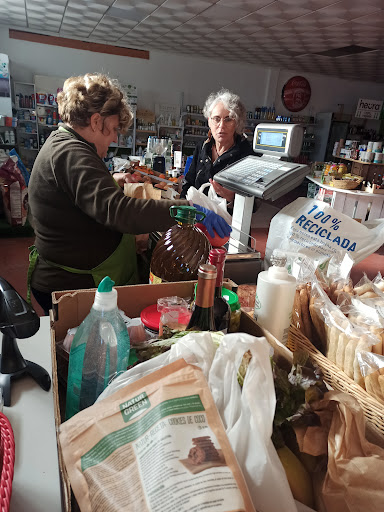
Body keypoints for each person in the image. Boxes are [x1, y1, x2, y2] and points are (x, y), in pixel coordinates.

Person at [28, 73, 230, 314]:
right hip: (74, 285)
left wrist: (112, 180)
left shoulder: (64, 143)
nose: (114, 138)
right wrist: (187, 210)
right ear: (95, 121)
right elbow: (118, 211)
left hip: (76, 276)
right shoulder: (72, 153)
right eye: (112, 129)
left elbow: (78, 192)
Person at [180, 88, 257, 205]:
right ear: (209, 121)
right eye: (216, 119)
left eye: (228, 120)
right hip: (196, 216)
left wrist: (232, 199)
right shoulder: (202, 147)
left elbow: (255, 203)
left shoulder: (247, 155)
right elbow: (188, 182)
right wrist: (182, 207)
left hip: (226, 221)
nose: (221, 126)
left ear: (237, 123)